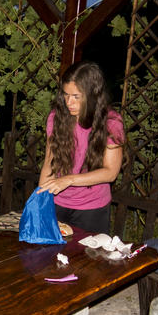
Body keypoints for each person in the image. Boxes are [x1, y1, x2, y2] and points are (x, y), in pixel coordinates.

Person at [36, 60, 124, 234]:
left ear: (92, 95)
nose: (69, 102)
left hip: (92, 208)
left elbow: (111, 172)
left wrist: (69, 180)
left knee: (88, 259)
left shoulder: (111, 123)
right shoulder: (56, 117)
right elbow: (49, 161)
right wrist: (40, 199)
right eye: (66, 95)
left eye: (76, 96)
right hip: (57, 202)